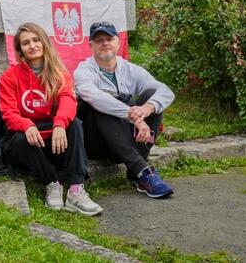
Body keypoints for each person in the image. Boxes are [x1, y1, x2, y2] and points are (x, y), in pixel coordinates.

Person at [0, 23, 102, 215]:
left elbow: (68, 100)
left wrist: (60, 124)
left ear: (44, 42)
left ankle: (76, 190)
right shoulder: (9, 77)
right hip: (30, 142)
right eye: (26, 43)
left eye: (36, 40)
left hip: (55, 139)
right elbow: (9, 113)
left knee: (75, 124)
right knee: (19, 139)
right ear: (20, 49)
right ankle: (52, 184)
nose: (32, 46)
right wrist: (26, 125)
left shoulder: (59, 73)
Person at [74, 22, 176, 198]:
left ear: (118, 42)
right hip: (97, 143)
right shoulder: (83, 71)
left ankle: (136, 170)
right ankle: (142, 171)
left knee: (152, 96)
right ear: (91, 45)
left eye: (109, 38)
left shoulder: (130, 69)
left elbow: (166, 92)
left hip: (127, 140)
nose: (105, 43)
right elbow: (94, 97)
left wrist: (146, 109)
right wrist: (134, 117)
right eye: (99, 40)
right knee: (102, 103)